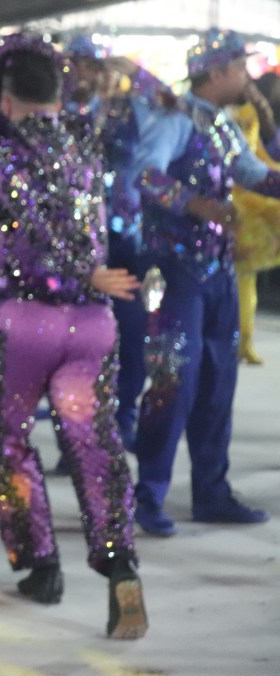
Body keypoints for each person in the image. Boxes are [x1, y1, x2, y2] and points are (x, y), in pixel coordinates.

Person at [0, 33, 147, 639]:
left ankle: (41, 565)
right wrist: (91, 275)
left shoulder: (2, 151)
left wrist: (76, 270)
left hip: (27, 321)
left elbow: (30, 229)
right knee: (96, 448)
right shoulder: (88, 145)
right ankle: (121, 566)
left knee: (5, 438)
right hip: (93, 325)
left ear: (6, 99)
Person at [132, 29, 278, 536]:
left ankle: (211, 493)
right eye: (240, 67)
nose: (246, 76)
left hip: (218, 272)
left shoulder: (221, 125)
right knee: (174, 380)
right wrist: (198, 205)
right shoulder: (173, 118)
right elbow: (145, 176)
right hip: (174, 271)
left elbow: (253, 174)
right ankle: (148, 495)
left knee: (218, 385)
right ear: (216, 73)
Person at [61, 35, 166, 454]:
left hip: (126, 243)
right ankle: (77, 438)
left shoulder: (130, 111)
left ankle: (122, 425)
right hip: (77, 247)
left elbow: (168, 100)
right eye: (80, 65)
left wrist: (135, 72)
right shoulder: (60, 113)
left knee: (133, 338)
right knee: (81, 346)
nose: (89, 74)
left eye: (95, 66)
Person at [230, 72, 280, 365]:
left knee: (244, 279)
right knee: (241, 278)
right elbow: (247, 163)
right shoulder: (249, 115)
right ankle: (241, 340)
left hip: (255, 199)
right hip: (248, 204)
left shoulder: (259, 115)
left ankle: (243, 340)